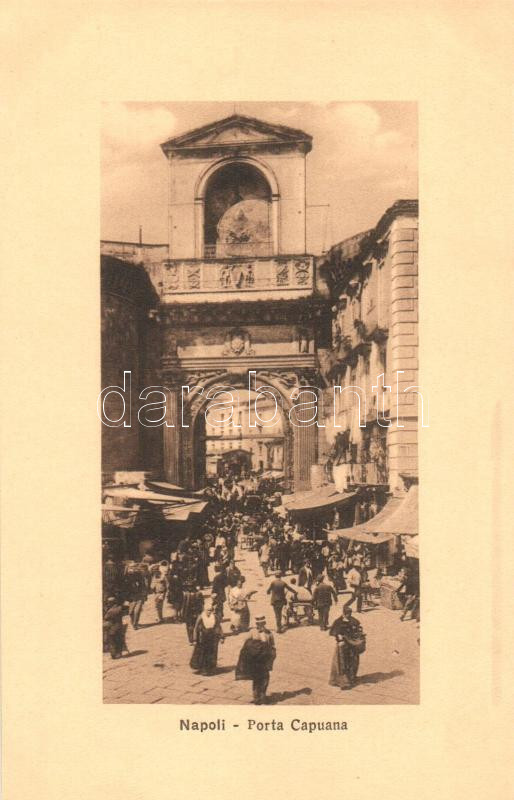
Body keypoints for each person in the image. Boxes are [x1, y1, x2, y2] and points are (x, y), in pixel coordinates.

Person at [235, 615, 276, 704]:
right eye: (258, 624)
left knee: (265, 678)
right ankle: (256, 697)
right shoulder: (252, 632)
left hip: (265, 660)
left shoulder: (269, 633)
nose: (260, 625)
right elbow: (245, 643)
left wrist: (272, 656)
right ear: (256, 624)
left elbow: (272, 645)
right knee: (257, 678)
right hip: (256, 660)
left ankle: (263, 695)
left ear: (264, 623)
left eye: (262, 623)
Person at [329, 606, 366, 690]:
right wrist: (339, 639)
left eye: (350, 614)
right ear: (343, 613)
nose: (348, 615)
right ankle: (343, 683)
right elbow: (334, 632)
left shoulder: (354, 620)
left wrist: (359, 635)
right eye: (347, 614)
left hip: (352, 645)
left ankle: (352, 678)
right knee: (342, 664)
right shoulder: (338, 621)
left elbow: (358, 629)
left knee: (353, 662)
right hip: (343, 645)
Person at [190, 601, 224, 676]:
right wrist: (195, 639)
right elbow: (195, 629)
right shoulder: (201, 617)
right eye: (208, 610)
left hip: (212, 638)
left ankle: (209, 669)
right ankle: (202, 669)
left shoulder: (215, 617)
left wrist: (221, 637)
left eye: (211, 610)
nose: (209, 612)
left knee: (211, 653)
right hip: (202, 638)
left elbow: (218, 627)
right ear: (204, 610)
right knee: (202, 653)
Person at [124, 562, 147, 630]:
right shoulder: (126, 576)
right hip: (131, 597)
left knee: (137, 611)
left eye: (134, 567)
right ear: (128, 568)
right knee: (131, 612)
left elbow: (143, 584)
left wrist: (144, 595)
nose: (133, 568)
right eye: (131, 567)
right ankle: (133, 622)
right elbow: (124, 587)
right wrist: (125, 598)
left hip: (139, 595)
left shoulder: (139, 574)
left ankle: (135, 624)